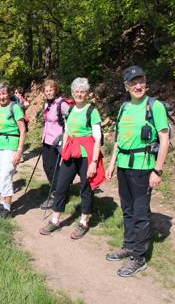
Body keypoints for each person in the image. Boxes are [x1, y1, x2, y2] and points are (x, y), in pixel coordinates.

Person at [105, 66, 170, 277]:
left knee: (141, 213)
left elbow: (164, 139)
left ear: (146, 82)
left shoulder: (155, 106)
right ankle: (129, 245)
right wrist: (112, 163)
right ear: (126, 86)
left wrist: (157, 171)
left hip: (143, 167)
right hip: (124, 166)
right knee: (127, 209)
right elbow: (118, 140)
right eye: (133, 83)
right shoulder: (124, 107)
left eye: (141, 81)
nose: (138, 86)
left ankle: (139, 257)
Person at [39, 77, 105, 239]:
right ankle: (55, 220)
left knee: (85, 187)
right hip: (71, 152)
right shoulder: (70, 110)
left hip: (86, 154)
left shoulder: (92, 111)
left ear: (87, 93)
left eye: (82, 92)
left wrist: (94, 163)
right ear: (72, 93)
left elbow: (97, 139)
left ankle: (83, 222)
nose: (79, 94)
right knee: (61, 185)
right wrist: (63, 153)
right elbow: (67, 132)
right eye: (76, 92)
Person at [0, 82, 26, 218]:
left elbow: (23, 130)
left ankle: (7, 208)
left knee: (5, 175)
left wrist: (19, 151)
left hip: (10, 145)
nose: (1, 96)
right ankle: (2, 204)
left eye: (4, 93)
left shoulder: (15, 107)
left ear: (9, 94)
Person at [40, 79, 70, 209]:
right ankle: (58, 191)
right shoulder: (47, 103)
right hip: (47, 140)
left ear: (55, 90)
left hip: (57, 141)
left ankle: (57, 195)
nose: (48, 93)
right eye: (46, 91)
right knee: (47, 166)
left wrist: (66, 136)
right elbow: (47, 121)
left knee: (54, 169)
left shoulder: (61, 104)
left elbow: (71, 119)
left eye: (51, 90)